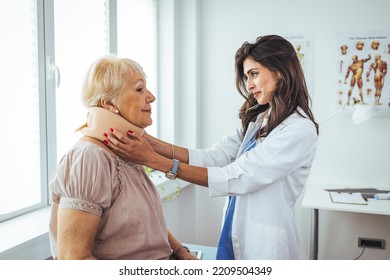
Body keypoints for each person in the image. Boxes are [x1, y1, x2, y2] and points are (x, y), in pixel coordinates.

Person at [103, 35, 319, 260]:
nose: (249, 85)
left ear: (280, 70)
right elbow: (216, 157)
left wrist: (155, 161)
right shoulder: (261, 120)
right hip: (235, 231)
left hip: (266, 246)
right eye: (246, 77)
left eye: (254, 74)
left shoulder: (299, 129)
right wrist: (150, 143)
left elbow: (236, 177)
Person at [48, 55, 196, 260]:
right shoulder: (90, 159)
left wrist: (179, 250)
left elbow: (146, 224)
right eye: (139, 89)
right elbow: (73, 258)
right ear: (109, 104)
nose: (151, 97)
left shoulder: (126, 154)